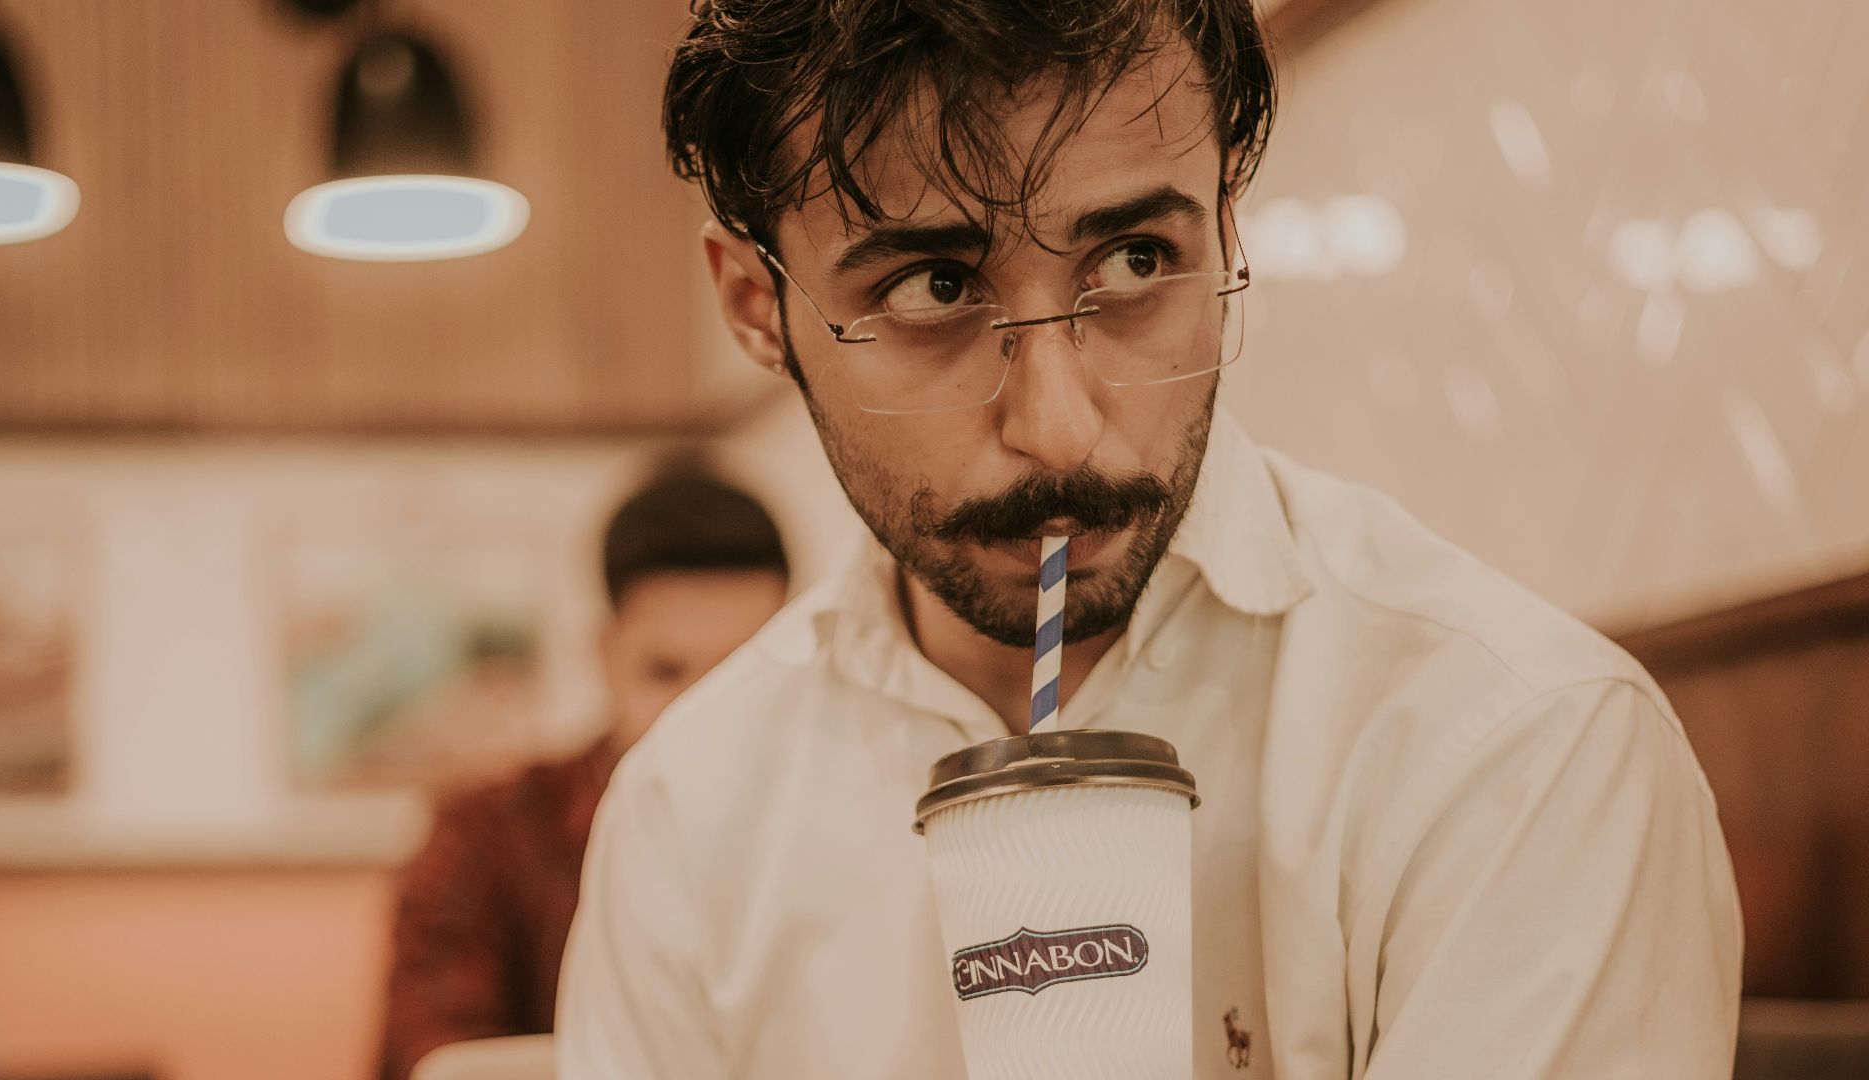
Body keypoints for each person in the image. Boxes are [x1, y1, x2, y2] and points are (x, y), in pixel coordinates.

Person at [557, 2, 1742, 1077]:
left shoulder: (1517, 750)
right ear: (757, 305)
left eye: (1136, 261)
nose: (1059, 429)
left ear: (1224, 231)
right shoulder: (691, 813)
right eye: (933, 286)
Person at [375, 459, 788, 1080]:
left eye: (739, 674)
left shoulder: (838, 821)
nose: (703, 715)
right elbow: (440, 1057)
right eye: (666, 673)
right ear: (605, 654)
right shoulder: (487, 834)